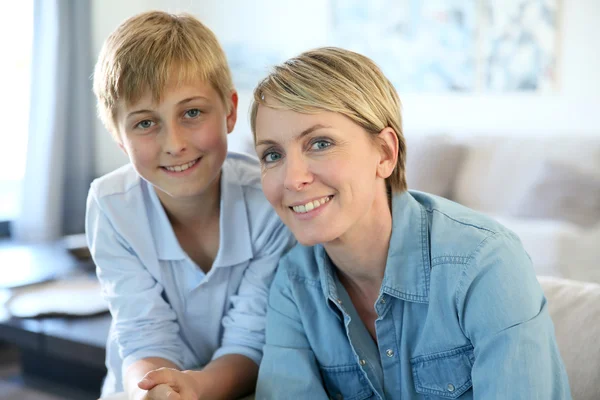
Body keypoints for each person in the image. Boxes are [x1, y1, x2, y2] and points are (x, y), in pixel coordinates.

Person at [250, 47, 572, 399]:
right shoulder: (293, 283)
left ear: (386, 153)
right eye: (272, 155)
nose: (292, 178)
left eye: (320, 143)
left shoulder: (486, 262)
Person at [87, 11, 293, 400]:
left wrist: (194, 389)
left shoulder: (269, 200)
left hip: (237, 387)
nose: (175, 143)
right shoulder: (110, 204)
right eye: (145, 123)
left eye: (192, 112)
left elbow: (250, 339)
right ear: (119, 137)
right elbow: (142, 332)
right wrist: (154, 392)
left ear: (230, 111)